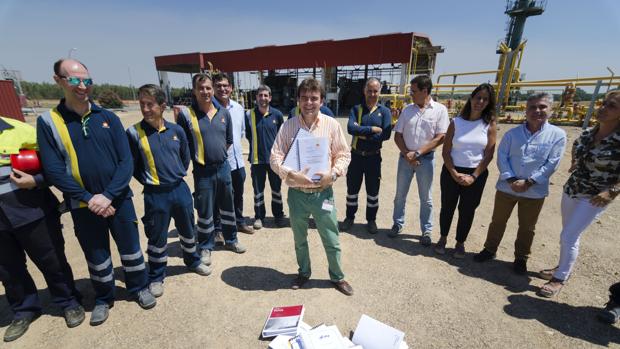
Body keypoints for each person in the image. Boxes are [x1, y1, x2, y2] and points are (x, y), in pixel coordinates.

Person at [37, 59, 155, 326]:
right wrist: (90, 198)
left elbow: (126, 162)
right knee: (96, 254)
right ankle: (103, 297)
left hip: (119, 200)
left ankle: (138, 287)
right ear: (58, 80)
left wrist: (109, 195)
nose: (82, 86)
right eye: (74, 80)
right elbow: (54, 170)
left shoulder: (108, 118)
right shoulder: (49, 122)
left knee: (131, 249)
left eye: (87, 81)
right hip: (83, 205)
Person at [0, 115, 84, 342]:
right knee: (9, 269)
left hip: (31, 210)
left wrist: (36, 180)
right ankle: (24, 309)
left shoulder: (23, 131)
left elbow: (56, 168)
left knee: (52, 259)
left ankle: (68, 300)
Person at [126, 84, 212, 298]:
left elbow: (185, 156)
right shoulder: (134, 133)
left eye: (150, 104)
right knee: (157, 236)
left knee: (187, 230)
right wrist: (150, 180)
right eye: (142, 104)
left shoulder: (177, 131)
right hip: (155, 194)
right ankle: (156, 276)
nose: (145, 109)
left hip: (179, 189)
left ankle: (192, 261)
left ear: (162, 105)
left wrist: (176, 174)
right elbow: (133, 166)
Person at [270, 78, 353, 296]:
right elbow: (275, 156)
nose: (309, 102)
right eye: (304, 98)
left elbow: (343, 154)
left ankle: (337, 276)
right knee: (300, 238)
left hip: (322, 194)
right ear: (298, 100)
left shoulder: (331, 125)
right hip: (297, 194)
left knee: (331, 238)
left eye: (314, 98)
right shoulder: (288, 126)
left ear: (321, 100)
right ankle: (304, 272)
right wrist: (289, 173)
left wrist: (332, 174)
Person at [537, 90, 620, 297]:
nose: (603, 108)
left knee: (569, 235)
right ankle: (561, 266)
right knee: (568, 233)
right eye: (604, 103)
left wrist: (612, 191)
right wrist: (576, 162)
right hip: (573, 189)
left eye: (611, 106)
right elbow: (577, 150)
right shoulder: (588, 133)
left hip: (595, 196)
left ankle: (560, 277)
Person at [473, 92, 567, 275]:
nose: (537, 111)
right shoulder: (512, 134)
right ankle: (489, 250)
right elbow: (502, 156)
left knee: (527, 227)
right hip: (507, 188)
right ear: (526, 110)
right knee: (498, 221)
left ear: (551, 109)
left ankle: (521, 258)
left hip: (534, 192)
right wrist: (511, 179)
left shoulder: (557, 135)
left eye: (542, 107)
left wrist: (530, 182)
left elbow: (552, 163)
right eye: (532, 107)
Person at [176, 73, 246, 268]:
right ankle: (206, 245)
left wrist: (219, 154)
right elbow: (183, 144)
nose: (205, 92)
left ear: (212, 89)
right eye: (201, 88)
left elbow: (230, 140)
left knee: (228, 205)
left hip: (223, 168)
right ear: (194, 91)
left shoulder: (223, 113)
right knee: (205, 211)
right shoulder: (186, 115)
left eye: (208, 88)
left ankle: (231, 240)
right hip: (202, 171)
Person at [435, 83, 497, 258]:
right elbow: (446, 151)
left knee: (467, 209)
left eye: (485, 99)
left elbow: (489, 154)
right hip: (451, 171)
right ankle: (442, 238)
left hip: (475, 174)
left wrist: (474, 176)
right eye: (478, 98)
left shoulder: (489, 124)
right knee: (447, 206)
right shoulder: (456, 122)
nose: (481, 102)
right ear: (471, 98)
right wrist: (454, 172)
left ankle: (460, 243)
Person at [390, 75, 449, 246]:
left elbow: (441, 137)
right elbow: (398, 135)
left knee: (426, 198)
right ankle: (397, 224)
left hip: (426, 160)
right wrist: (408, 154)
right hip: (405, 159)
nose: (411, 94)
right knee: (400, 195)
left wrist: (418, 153)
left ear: (425, 91)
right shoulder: (408, 110)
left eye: (414, 91)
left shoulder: (439, 110)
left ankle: (426, 231)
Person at [340, 77, 392, 234]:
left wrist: (362, 131)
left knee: (373, 192)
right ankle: (350, 218)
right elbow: (350, 128)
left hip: (373, 158)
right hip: (356, 157)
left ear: (380, 91)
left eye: (375, 91)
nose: (372, 94)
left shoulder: (385, 112)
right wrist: (372, 130)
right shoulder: (356, 109)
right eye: (369, 90)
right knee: (352, 190)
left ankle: (371, 221)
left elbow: (386, 134)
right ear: (364, 91)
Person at [211, 73, 253, 235]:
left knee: (238, 194)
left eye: (225, 85)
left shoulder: (238, 108)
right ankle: (219, 228)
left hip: (237, 161)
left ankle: (239, 221)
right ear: (214, 88)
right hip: (220, 163)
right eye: (218, 85)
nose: (222, 89)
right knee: (219, 197)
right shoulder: (210, 109)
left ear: (231, 88)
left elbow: (241, 132)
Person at [246, 85, 286, 230]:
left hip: (274, 161)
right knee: (258, 191)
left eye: (265, 95)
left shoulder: (277, 115)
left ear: (270, 97)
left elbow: (282, 136)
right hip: (257, 160)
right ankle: (259, 217)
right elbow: (248, 135)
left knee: (276, 189)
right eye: (260, 95)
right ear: (256, 97)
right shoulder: (249, 115)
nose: (263, 98)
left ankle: (278, 215)